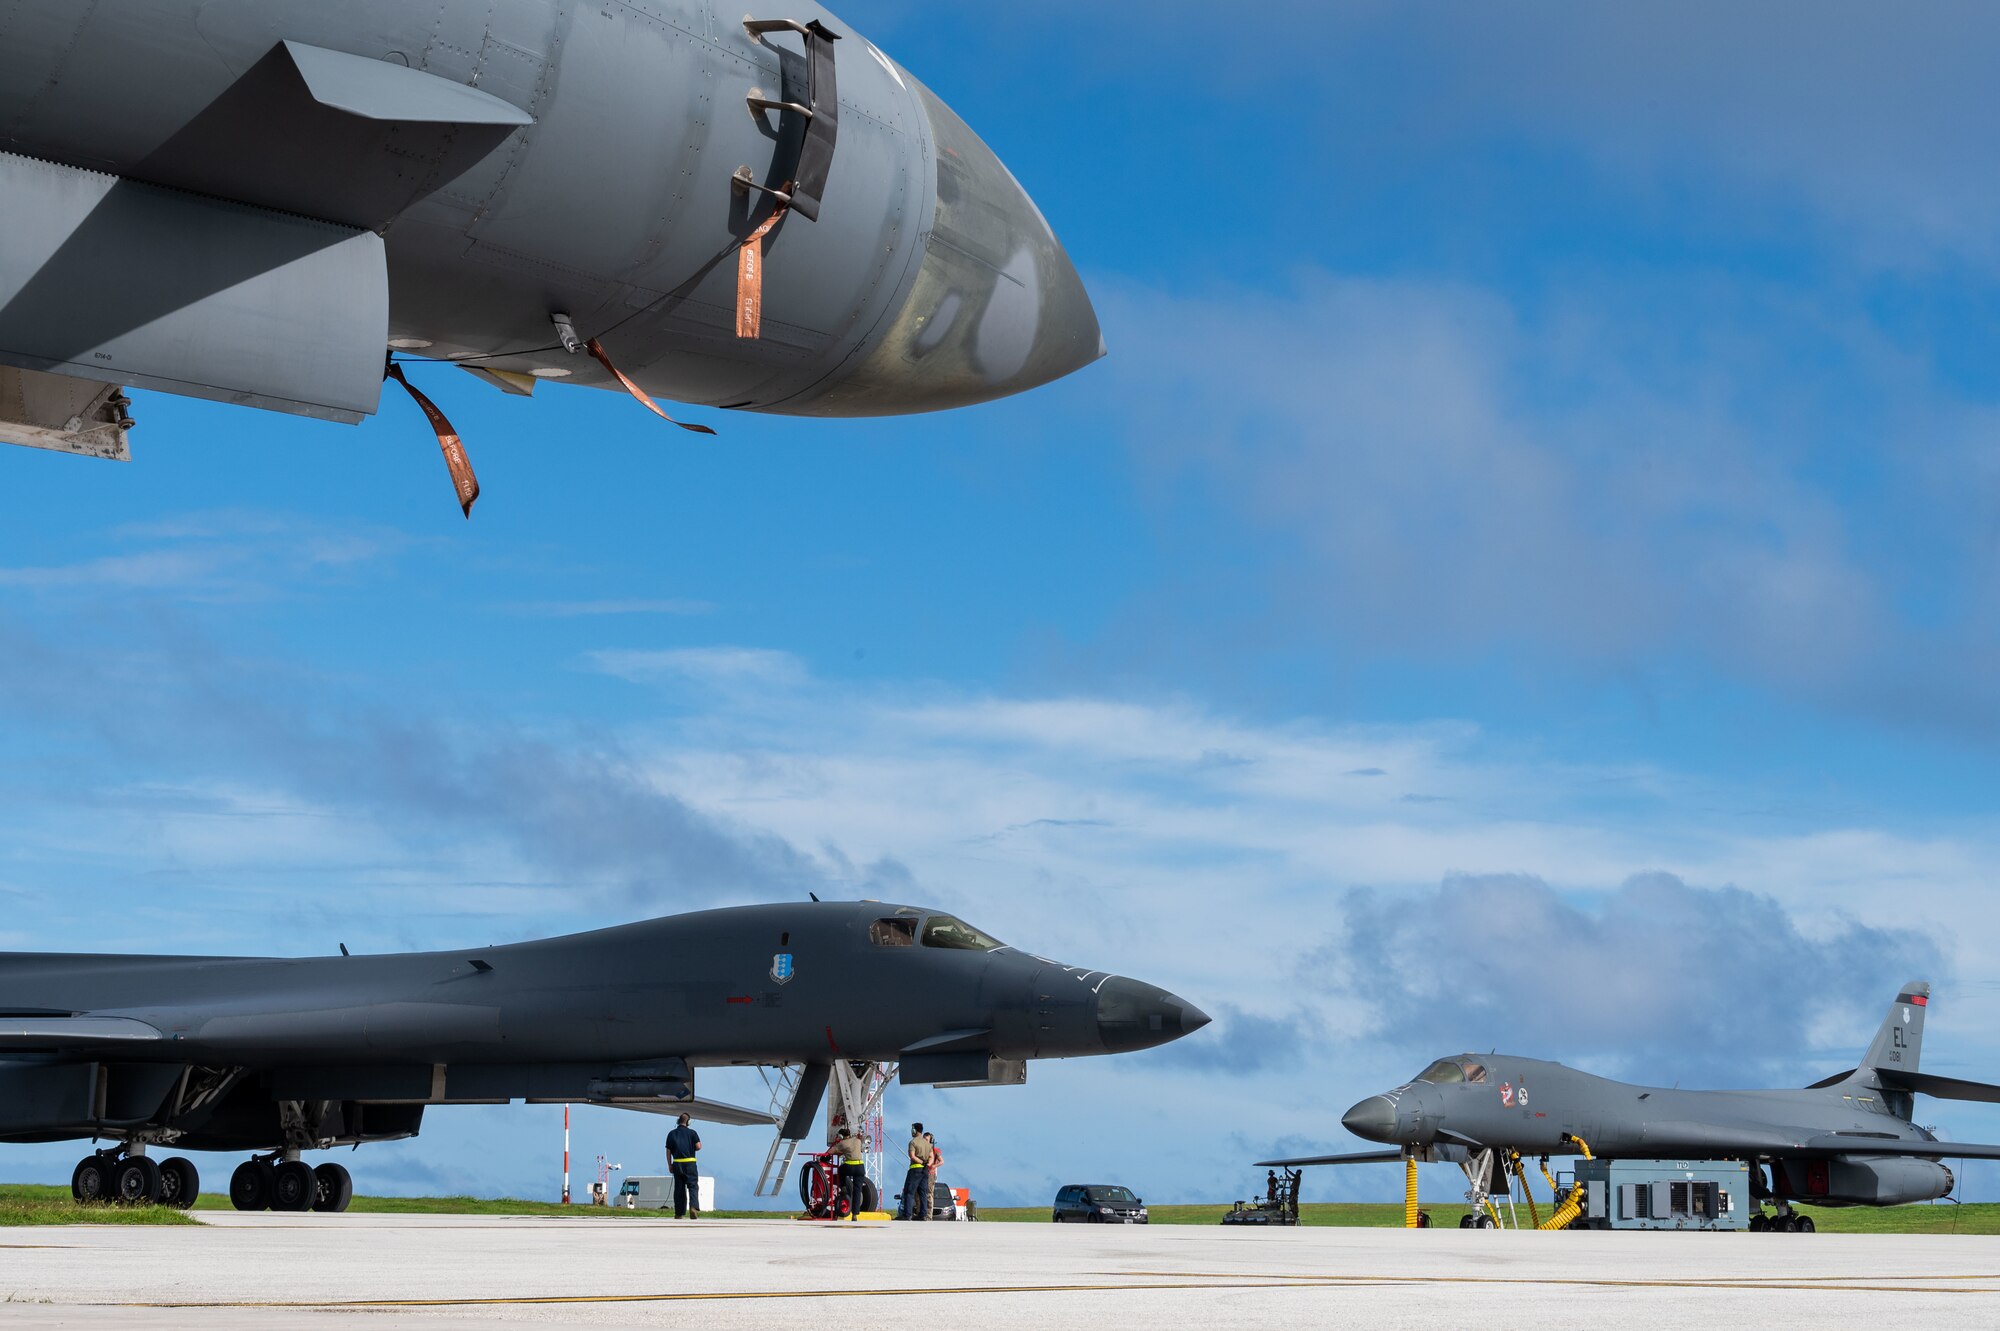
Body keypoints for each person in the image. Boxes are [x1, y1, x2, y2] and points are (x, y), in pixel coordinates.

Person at [665, 1113, 702, 1219]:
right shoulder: (692, 1133)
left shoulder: (671, 1134)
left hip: (677, 1164)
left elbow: (668, 1151)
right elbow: (699, 1146)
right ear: (688, 1122)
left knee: (679, 1189)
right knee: (693, 1186)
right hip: (690, 1164)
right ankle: (693, 1207)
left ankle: (679, 1213)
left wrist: (669, 1165)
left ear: (678, 1121)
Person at [899, 1122, 934, 1220]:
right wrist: (927, 1164)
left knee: (909, 1192)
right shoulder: (928, 1144)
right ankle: (923, 1215)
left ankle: (907, 1214)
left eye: (912, 1129)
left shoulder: (913, 1142)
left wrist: (921, 1162)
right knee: (923, 1193)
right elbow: (932, 1157)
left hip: (915, 1169)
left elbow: (912, 1155)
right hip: (925, 1170)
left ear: (915, 1130)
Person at [833, 1125, 868, 1220]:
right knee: (857, 1190)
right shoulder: (857, 1141)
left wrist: (837, 1144)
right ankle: (855, 1215)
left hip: (848, 1167)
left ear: (841, 1136)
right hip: (860, 1167)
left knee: (840, 1170)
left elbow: (831, 1152)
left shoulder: (842, 1143)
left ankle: (843, 1187)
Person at [924, 1131, 943, 1219]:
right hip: (922, 1172)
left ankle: (928, 1215)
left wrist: (933, 1166)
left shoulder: (935, 1151)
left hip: (930, 1174)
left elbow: (941, 1161)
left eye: (926, 1139)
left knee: (928, 1194)